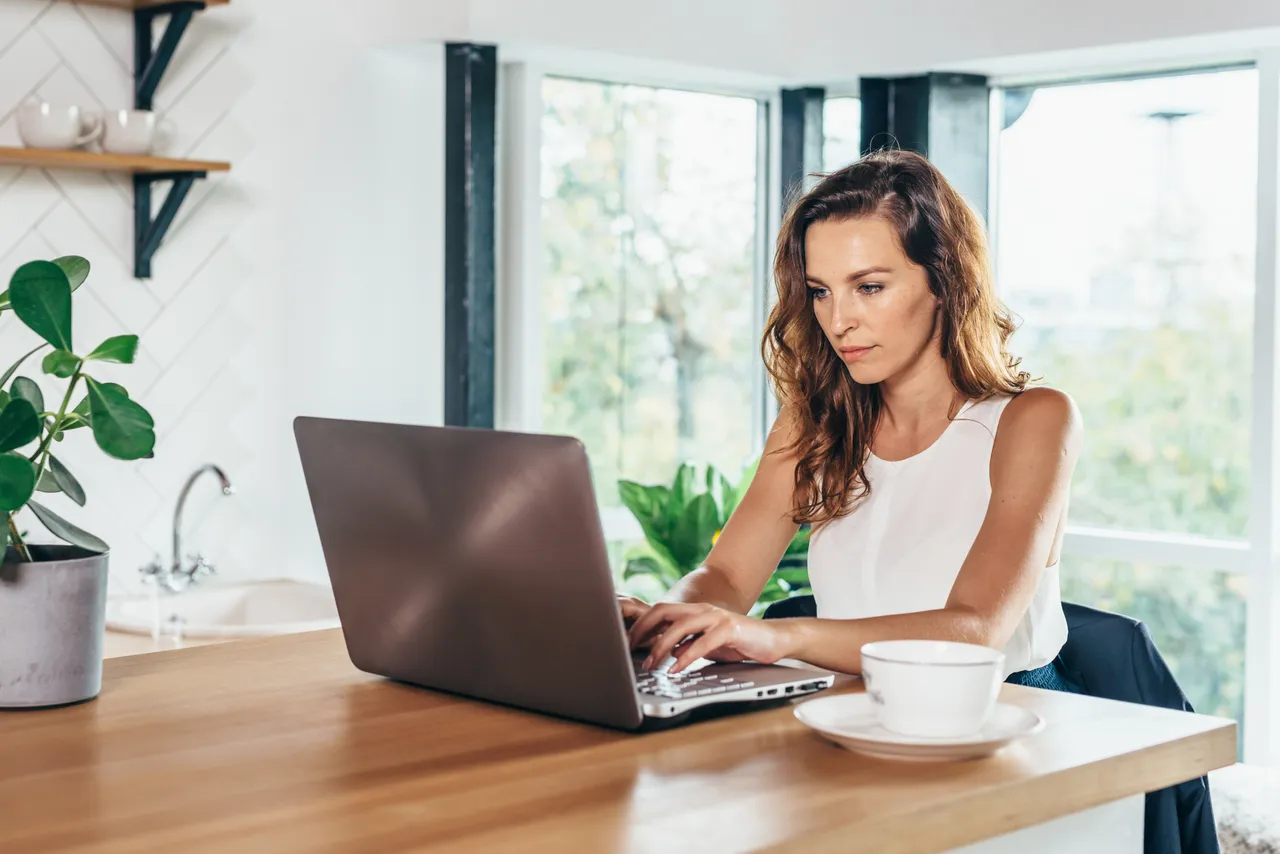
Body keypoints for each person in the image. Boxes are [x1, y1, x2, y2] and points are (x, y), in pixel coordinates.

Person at [621, 148, 1083, 692]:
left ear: (943, 280)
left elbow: (975, 629)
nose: (838, 321)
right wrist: (665, 619)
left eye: (869, 287)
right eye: (821, 292)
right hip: (848, 703)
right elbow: (725, 576)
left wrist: (784, 638)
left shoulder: (1033, 419)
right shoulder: (814, 422)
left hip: (1005, 714)